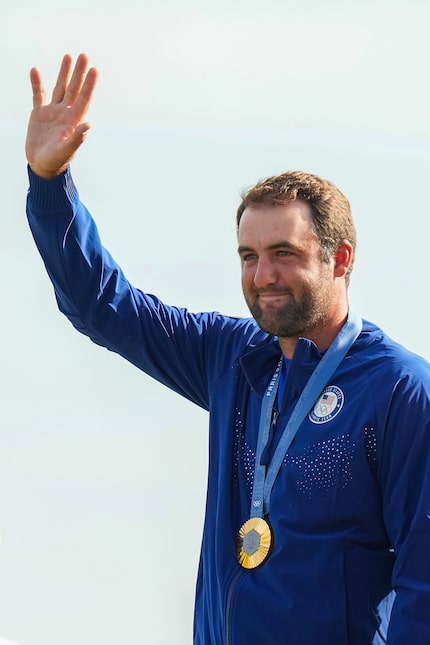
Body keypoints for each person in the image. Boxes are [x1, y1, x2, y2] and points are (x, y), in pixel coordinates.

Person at [25, 54, 430, 645]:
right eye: (248, 256)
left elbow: (424, 583)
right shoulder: (233, 358)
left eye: (284, 253)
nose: (263, 274)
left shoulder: (400, 390)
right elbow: (102, 305)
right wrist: (49, 187)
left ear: (339, 258)